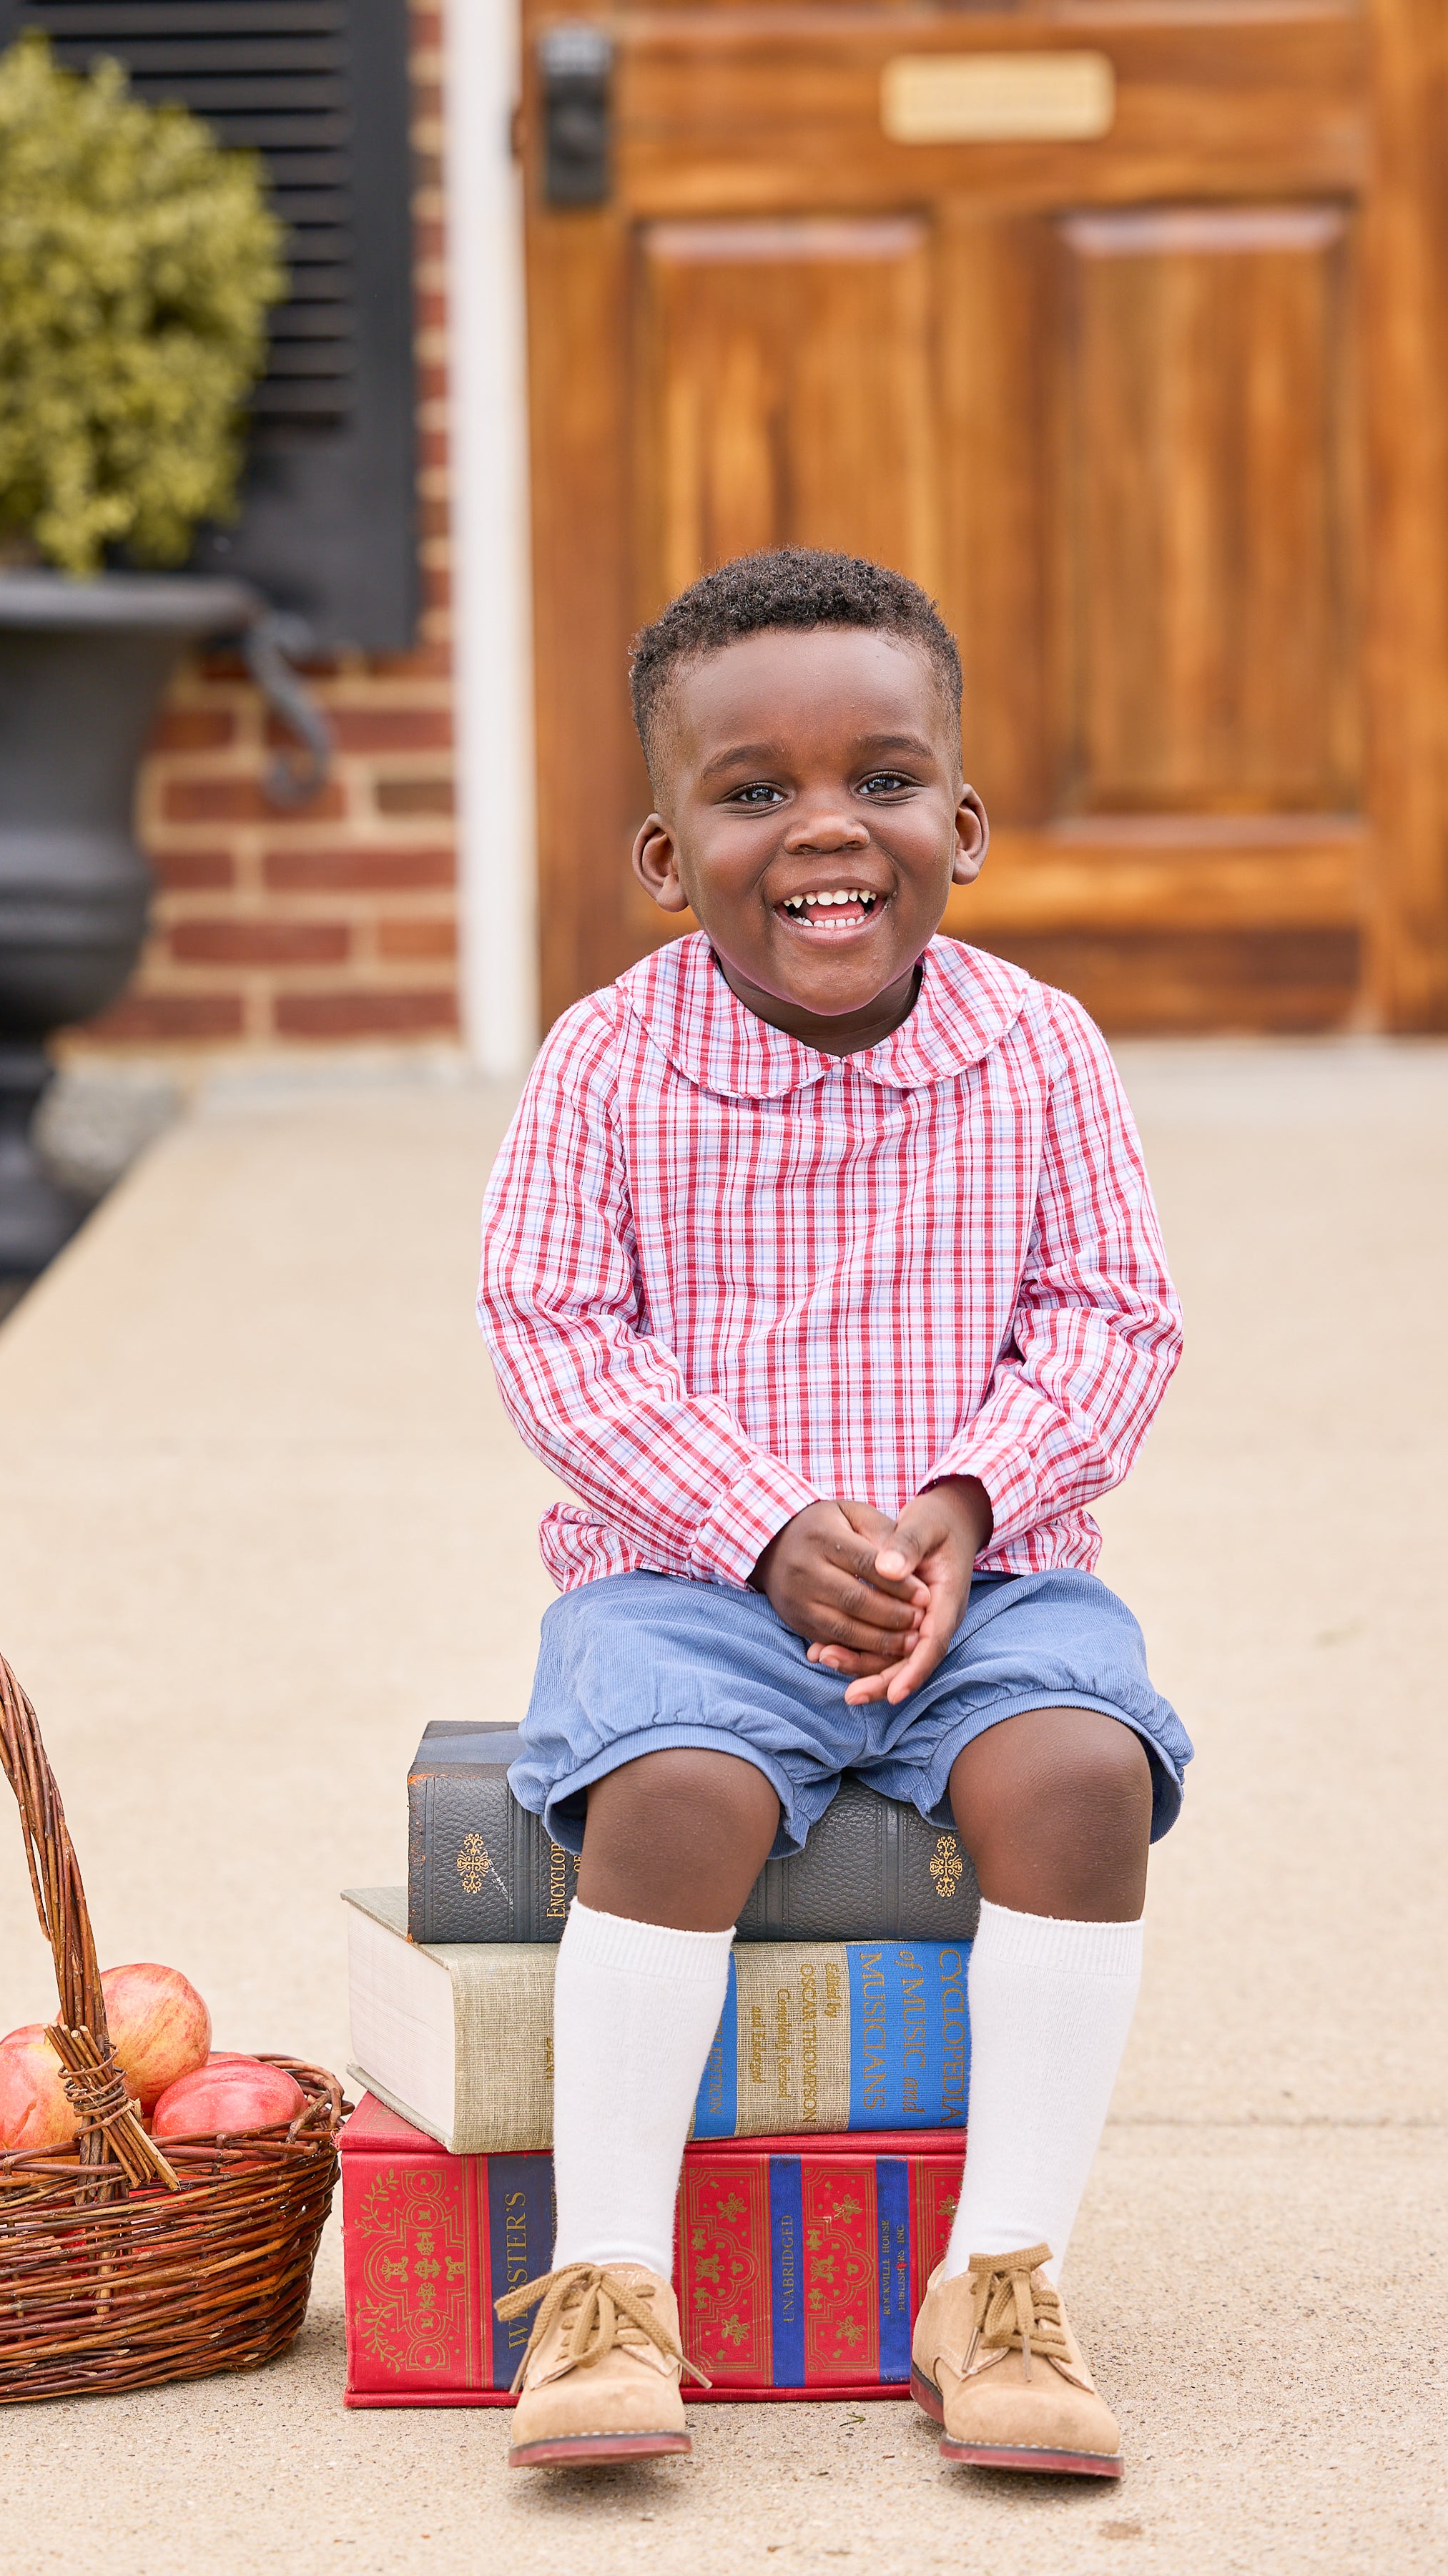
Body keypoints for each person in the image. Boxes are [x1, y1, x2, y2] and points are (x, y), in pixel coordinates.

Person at [478, 547, 1187, 2482]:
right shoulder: (606, 1066)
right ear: (661, 848)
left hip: (998, 1569)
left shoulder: (1033, 1050)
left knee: (1076, 1773)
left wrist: (966, 1503)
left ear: (956, 821)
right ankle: (611, 2284)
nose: (823, 832)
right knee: (675, 1794)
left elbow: (1114, 1315)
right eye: (750, 790)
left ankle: (1002, 2278)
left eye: (878, 778)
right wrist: (761, 1523)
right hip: (688, 1580)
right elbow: (552, 1331)